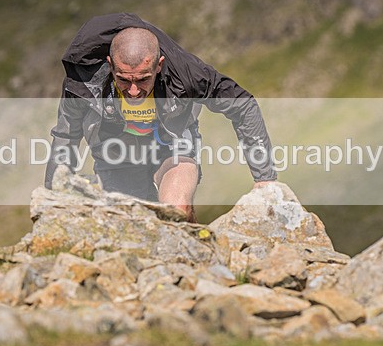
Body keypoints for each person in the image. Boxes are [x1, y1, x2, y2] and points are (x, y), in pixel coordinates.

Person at [45, 12, 276, 221]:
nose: (134, 91)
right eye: (124, 79)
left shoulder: (187, 74)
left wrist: (264, 179)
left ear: (159, 66)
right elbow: (67, 135)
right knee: (132, 226)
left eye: (143, 79)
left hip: (171, 144)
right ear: (110, 65)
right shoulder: (84, 82)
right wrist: (53, 201)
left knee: (176, 211)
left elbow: (243, 106)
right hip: (115, 154)